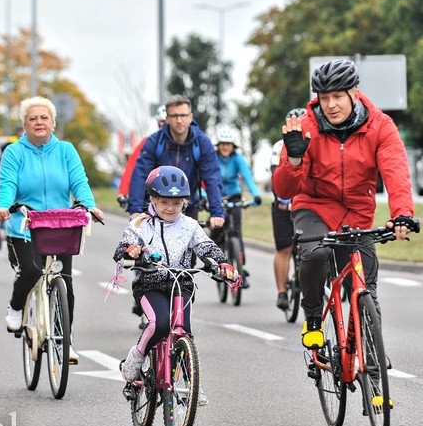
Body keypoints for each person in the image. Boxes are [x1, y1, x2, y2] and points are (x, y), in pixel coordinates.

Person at [272, 58, 418, 349]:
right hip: (314, 206)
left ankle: (373, 365)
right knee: (315, 254)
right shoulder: (304, 127)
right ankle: (313, 316)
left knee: (363, 288)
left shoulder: (380, 125)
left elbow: (395, 171)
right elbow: (284, 188)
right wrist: (295, 159)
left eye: (337, 96)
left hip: (357, 212)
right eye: (324, 98)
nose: (330, 105)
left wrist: (401, 213)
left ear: (354, 93)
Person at [0, 96, 105, 365]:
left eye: (44, 117)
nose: (39, 122)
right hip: (23, 224)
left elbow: (79, 181)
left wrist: (90, 206)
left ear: (53, 123)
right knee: (31, 270)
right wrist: (3, 206)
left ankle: (65, 341)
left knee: (65, 281)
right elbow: (7, 183)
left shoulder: (66, 151)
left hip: (60, 225)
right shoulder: (14, 153)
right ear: (25, 125)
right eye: (33, 118)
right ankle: (17, 307)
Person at [114, 166, 237, 389]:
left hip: (182, 285)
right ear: (152, 199)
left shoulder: (189, 225)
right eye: (164, 202)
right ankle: (137, 356)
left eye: (177, 203)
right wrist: (130, 252)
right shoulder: (140, 224)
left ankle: (191, 388)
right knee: (160, 324)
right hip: (150, 284)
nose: (170, 208)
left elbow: (206, 247)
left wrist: (222, 264)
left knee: (184, 334)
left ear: (185, 203)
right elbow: (122, 249)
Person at [127, 94, 225, 228]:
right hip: (156, 206)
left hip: (187, 207)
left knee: (191, 247)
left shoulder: (202, 143)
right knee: (145, 247)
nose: (179, 120)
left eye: (183, 115)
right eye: (174, 116)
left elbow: (212, 177)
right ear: (167, 119)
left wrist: (217, 212)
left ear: (190, 117)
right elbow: (140, 174)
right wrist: (135, 210)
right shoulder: (154, 141)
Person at [207, 126, 262, 289]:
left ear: (233, 146)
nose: (225, 147)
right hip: (215, 195)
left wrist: (256, 194)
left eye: (228, 144)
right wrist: (204, 196)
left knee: (237, 232)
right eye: (222, 143)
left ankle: (242, 269)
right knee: (216, 230)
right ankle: (215, 262)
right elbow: (205, 178)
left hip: (234, 195)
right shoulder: (212, 158)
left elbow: (247, 176)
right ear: (218, 145)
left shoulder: (237, 159)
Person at [270, 108, 305, 310]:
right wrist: (282, 200)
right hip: (284, 205)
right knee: (284, 249)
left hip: (304, 203)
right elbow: (277, 178)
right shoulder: (278, 146)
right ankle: (282, 292)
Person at [117, 105, 166, 210]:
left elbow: (203, 170)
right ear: (158, 124)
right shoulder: (148, 142)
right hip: (151, 196)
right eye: (162, 122)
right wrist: (123, 192)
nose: (165, 126)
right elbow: (132, 166)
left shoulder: (186, 142)